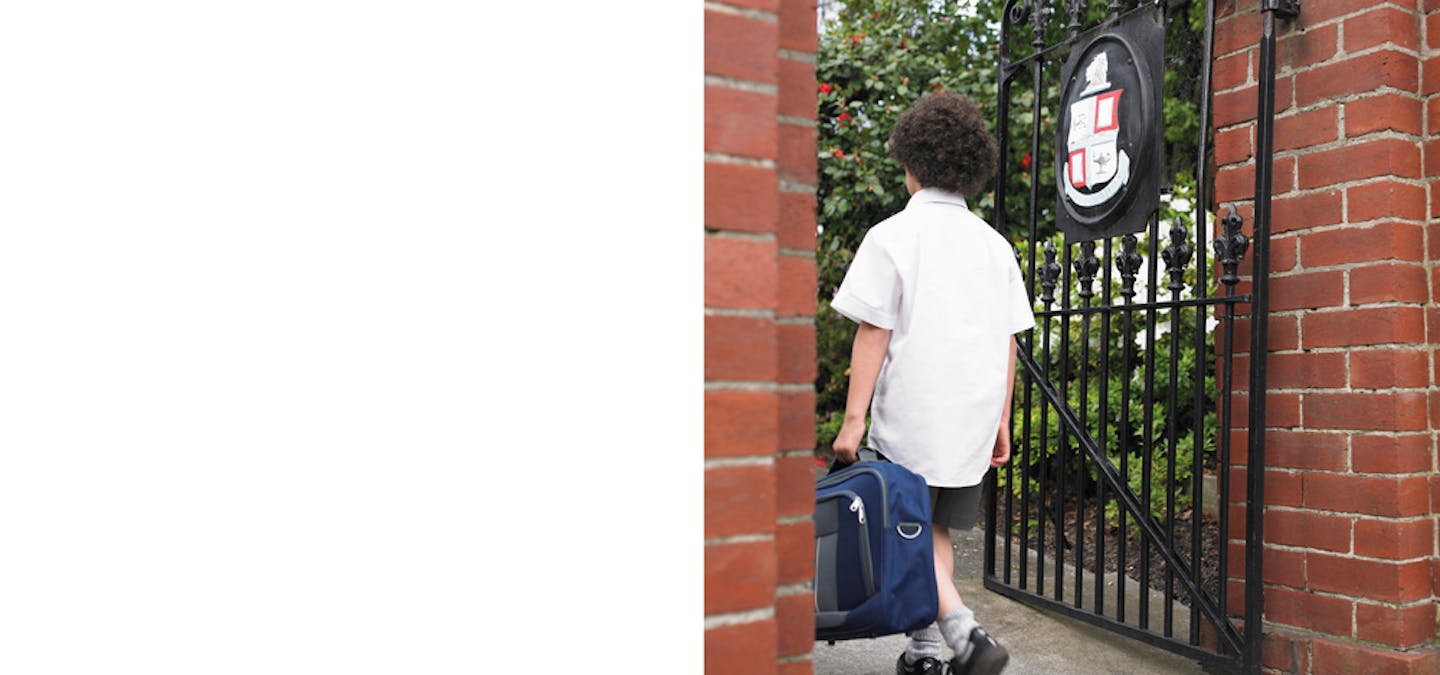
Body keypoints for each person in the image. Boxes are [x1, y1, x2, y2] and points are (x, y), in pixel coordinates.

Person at [829, 91, 1034, 675]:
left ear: (910, 163)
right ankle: (924, 654)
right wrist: (1000, 419)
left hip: (914, 415)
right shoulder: (995, 247)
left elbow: (874, 331)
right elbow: (1007, 340)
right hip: (970, 416)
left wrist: (852, 423)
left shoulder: (893, 235)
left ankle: (966, 634)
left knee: (907, 530)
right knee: (931, 528)